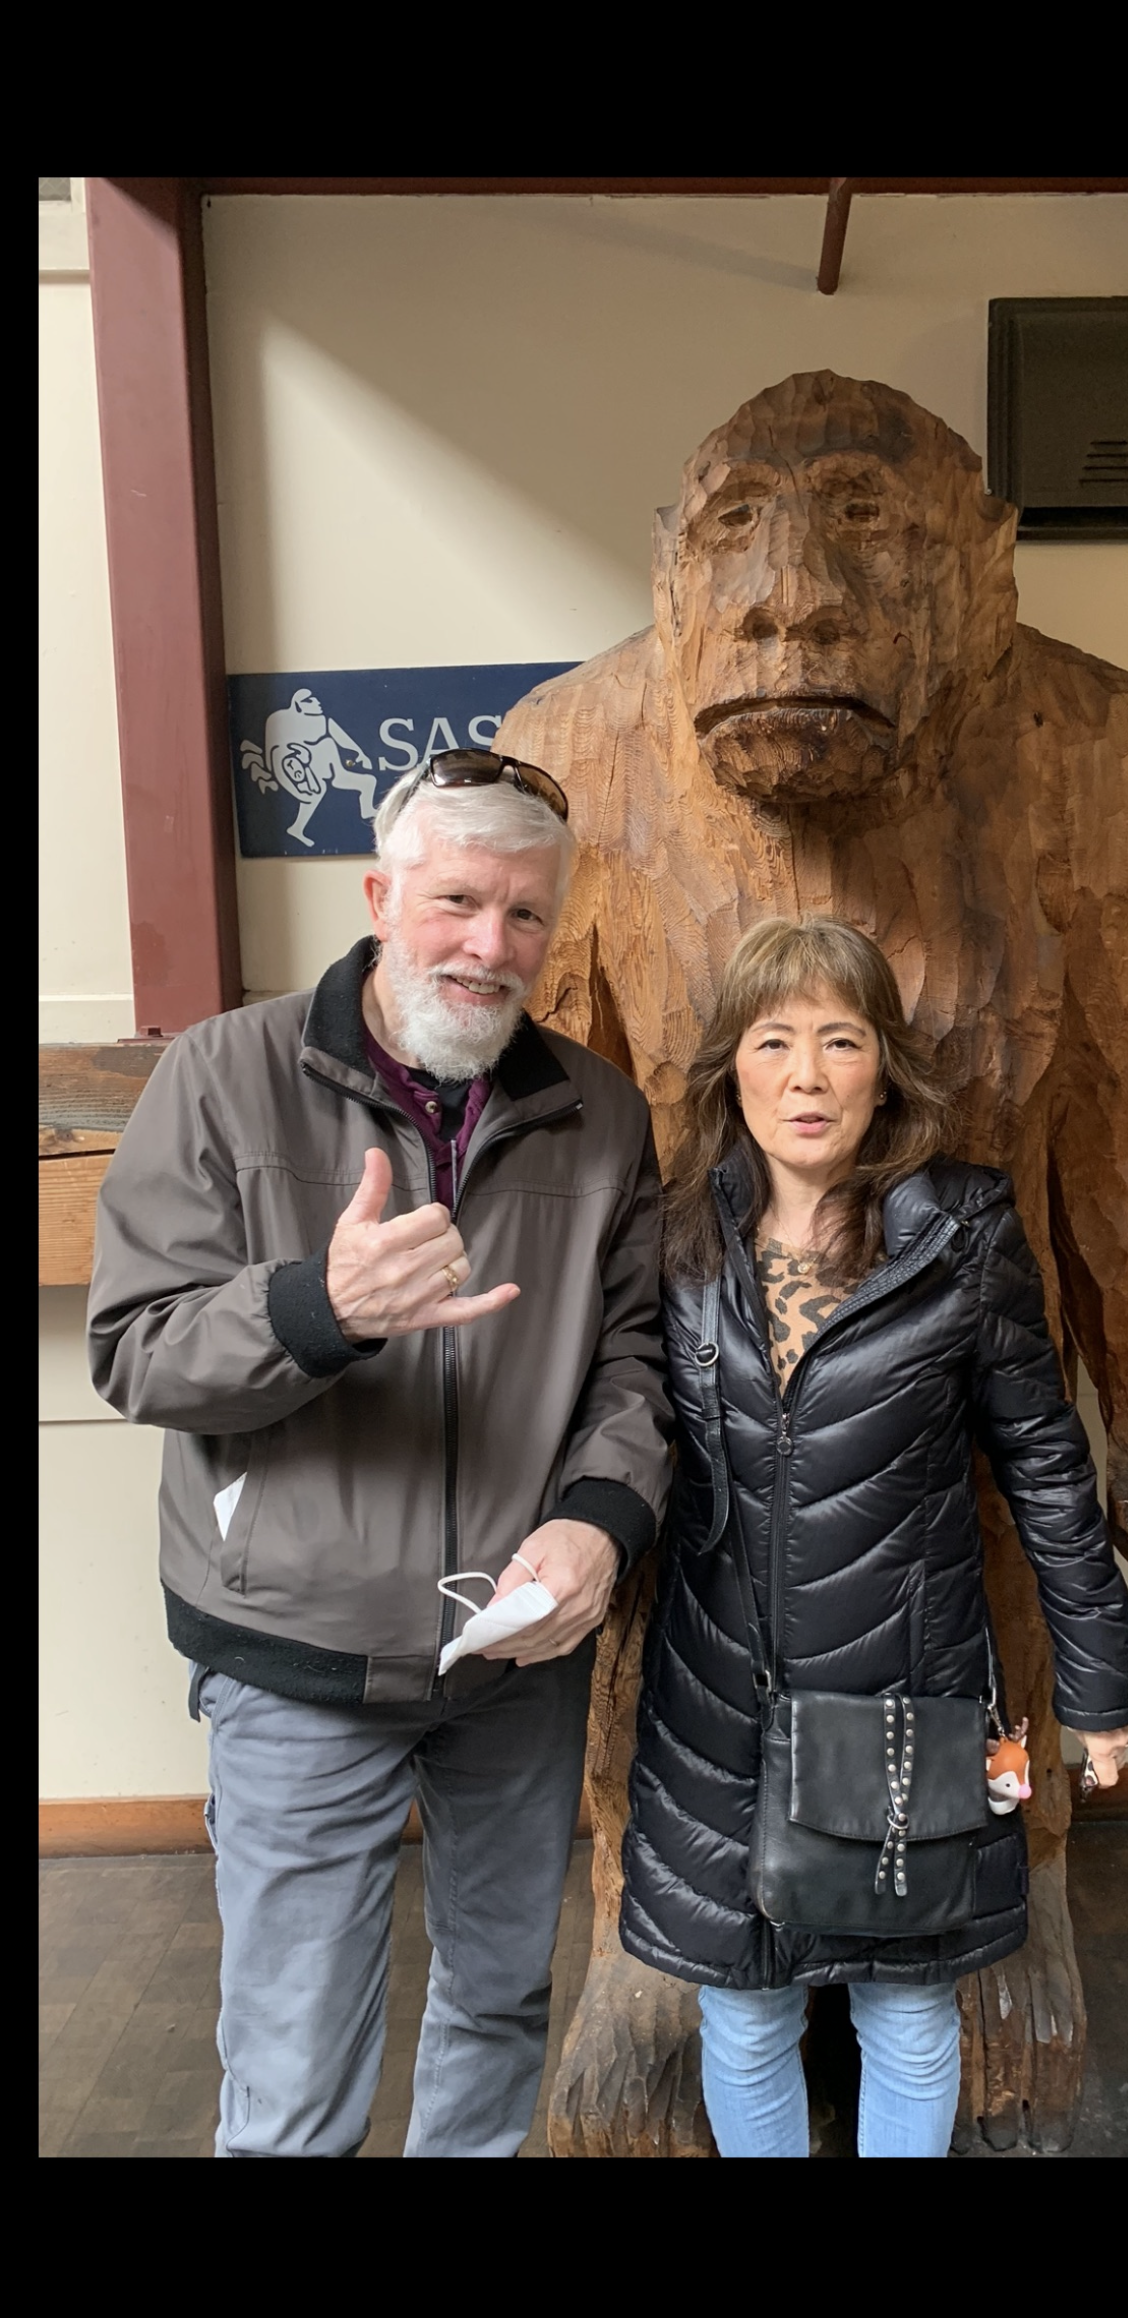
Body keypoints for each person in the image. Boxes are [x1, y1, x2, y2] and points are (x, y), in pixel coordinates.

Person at [88, 748, 672, 2159]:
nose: (490, 945)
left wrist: (599, 1518)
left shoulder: (600, 1109)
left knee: (496, 2005)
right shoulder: (223, 1077)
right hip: (295, 1647)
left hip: (512, 1657)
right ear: (378, 894)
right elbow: (140, 1351)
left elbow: (632, 1360)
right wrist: (318, 1308)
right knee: (290, 2070)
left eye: (526, 915)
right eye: (459, 900)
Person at [619, 916, 1128, 2159]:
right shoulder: (681, 1242)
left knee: (905, 2017)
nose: (807, 1076)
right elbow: (615, 1432)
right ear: (731, 1068)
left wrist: (1102, 1681)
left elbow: (1048, 1464)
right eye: (776, 1040)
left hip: (900, 1703)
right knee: (743, 2020)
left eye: (840, 1040)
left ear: (882, 1068)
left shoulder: (961, 1234)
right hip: (716, 1704)